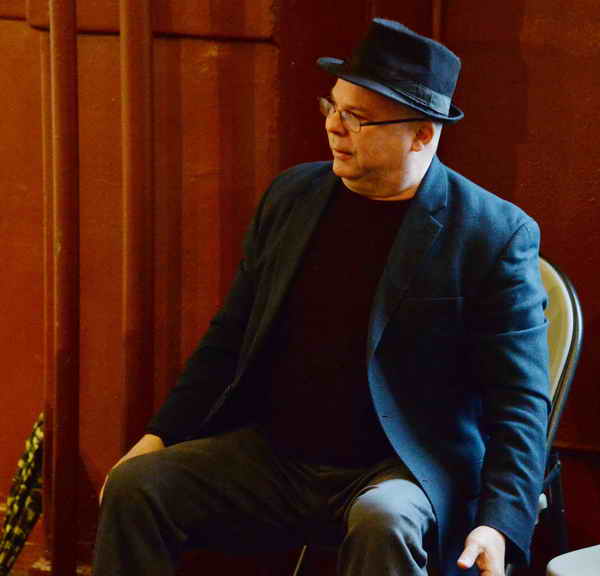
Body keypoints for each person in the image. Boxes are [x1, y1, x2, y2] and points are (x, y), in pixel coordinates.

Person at [93, 18, 549, 576]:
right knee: (137, 485)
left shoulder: (493, 233)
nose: (334, 126)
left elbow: (520, 399)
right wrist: (159, 435)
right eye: (332, 106)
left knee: (386, 520)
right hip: (279, 455)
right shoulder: (293, 196)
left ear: (422, 134)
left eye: (358, 117)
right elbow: (230, 335)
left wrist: (498, 522)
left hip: (402, 468)